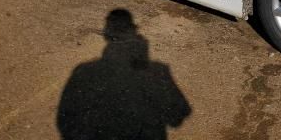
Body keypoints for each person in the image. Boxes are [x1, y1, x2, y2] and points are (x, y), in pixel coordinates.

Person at [57, 9, 191, 139]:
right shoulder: (158, 71)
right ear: (133, 31)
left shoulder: (84, 70)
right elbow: (178, 115)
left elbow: (66, 120)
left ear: (106, 34)